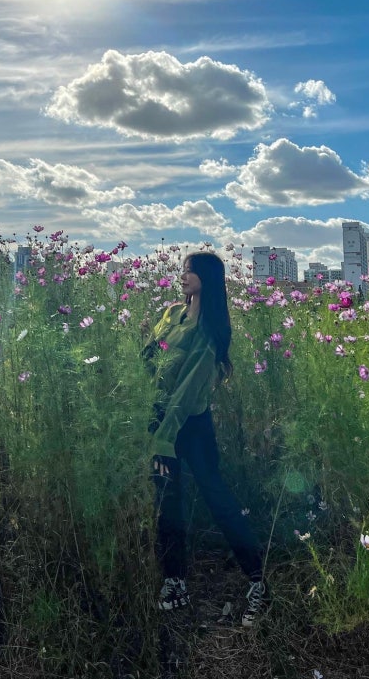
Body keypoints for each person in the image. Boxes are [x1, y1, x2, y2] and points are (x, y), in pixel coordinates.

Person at [142, 251, 268, 628]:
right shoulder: (171, 315)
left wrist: (163, 442)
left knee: (218, 499)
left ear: (207, 279)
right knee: (168, 504)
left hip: (190, 428)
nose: (182, 276)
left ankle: (258, 581)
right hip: (159, 418)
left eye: (190, 271)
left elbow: (185, 393)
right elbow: (149, 361)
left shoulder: (208, 333)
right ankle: (174, 581)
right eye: (182, 270)